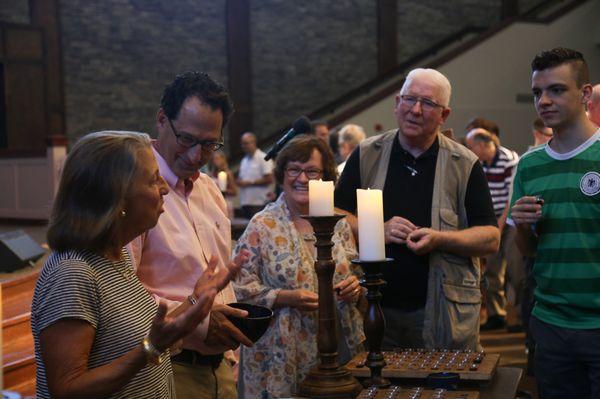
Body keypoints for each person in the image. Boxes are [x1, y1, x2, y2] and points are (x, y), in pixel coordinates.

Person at [31, 131, 244, 399]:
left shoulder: (114, 259)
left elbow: (145, 334)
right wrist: (151, 349)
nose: (165, 188)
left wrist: (194, 301)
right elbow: (67, 390)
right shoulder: (72, 272)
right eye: (153, 180)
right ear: (117, 196)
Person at [335, 68, 499, 350]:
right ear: (397, 102)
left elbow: (490, 238)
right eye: (410, 99)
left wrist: (440, 239)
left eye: (429, 103)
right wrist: (377, 230)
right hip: (370, 305)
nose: (416, 110)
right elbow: (337, 215)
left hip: (441, 309)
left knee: (440, 390)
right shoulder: (366, 154)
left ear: (444, 115)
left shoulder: (464, 163)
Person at [129, 72, 253, 399]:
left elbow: (219, 278)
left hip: (220, 368)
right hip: (167, 365)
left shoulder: (210, 191)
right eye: (186, 139)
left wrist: (231, 357)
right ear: (161, 120)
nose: (197, 156)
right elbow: (121, 294)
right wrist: (197, 321)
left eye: (210, 144)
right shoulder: (134, 190)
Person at [233, 135, 365, 398]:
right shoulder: (262, 225)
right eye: (294, 169)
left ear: (325, 177)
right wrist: (284, 297)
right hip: (279, 353)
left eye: (311, 171)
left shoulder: (338, 224)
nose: (302, 179)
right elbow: (240, 288)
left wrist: (355, 286)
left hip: (337, 348)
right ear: (282, 174)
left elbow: (356, 272)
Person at [509, 47, 600, 398]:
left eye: (557, 89)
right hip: (551, 322)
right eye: (537, 92)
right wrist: (522, 226)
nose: (543, 100)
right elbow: (529, 250)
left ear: (585, 93)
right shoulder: (531, 165)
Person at [466, 128, 524, 331]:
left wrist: (498, 224)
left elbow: (512, 195)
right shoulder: (478, 163)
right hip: (493, 221)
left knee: (515, 270)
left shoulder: (509, 159)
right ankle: (496, 314)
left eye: (471, 146)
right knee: (492, 270)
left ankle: (519, 317)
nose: (469, 149)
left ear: (482, 145)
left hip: (510, 221)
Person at [237, 132, 274, 219]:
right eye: (242, 144)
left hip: (259, 203)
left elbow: (269, 179)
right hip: (246, 202)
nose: (243, 146)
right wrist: (239, 182)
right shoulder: (244, 160)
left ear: (254, 142)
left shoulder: (263, 157)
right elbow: (241, 179)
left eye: (246, 143)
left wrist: (249, 182)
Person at [208, 150, 237, 219]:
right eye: (214, 159)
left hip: (225, 202)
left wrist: (222, 190)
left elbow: (234, 191)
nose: (215, 161)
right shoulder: (210, 175)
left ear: (223, 159)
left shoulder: (228, 173)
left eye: (217, 158)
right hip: (213, 203)